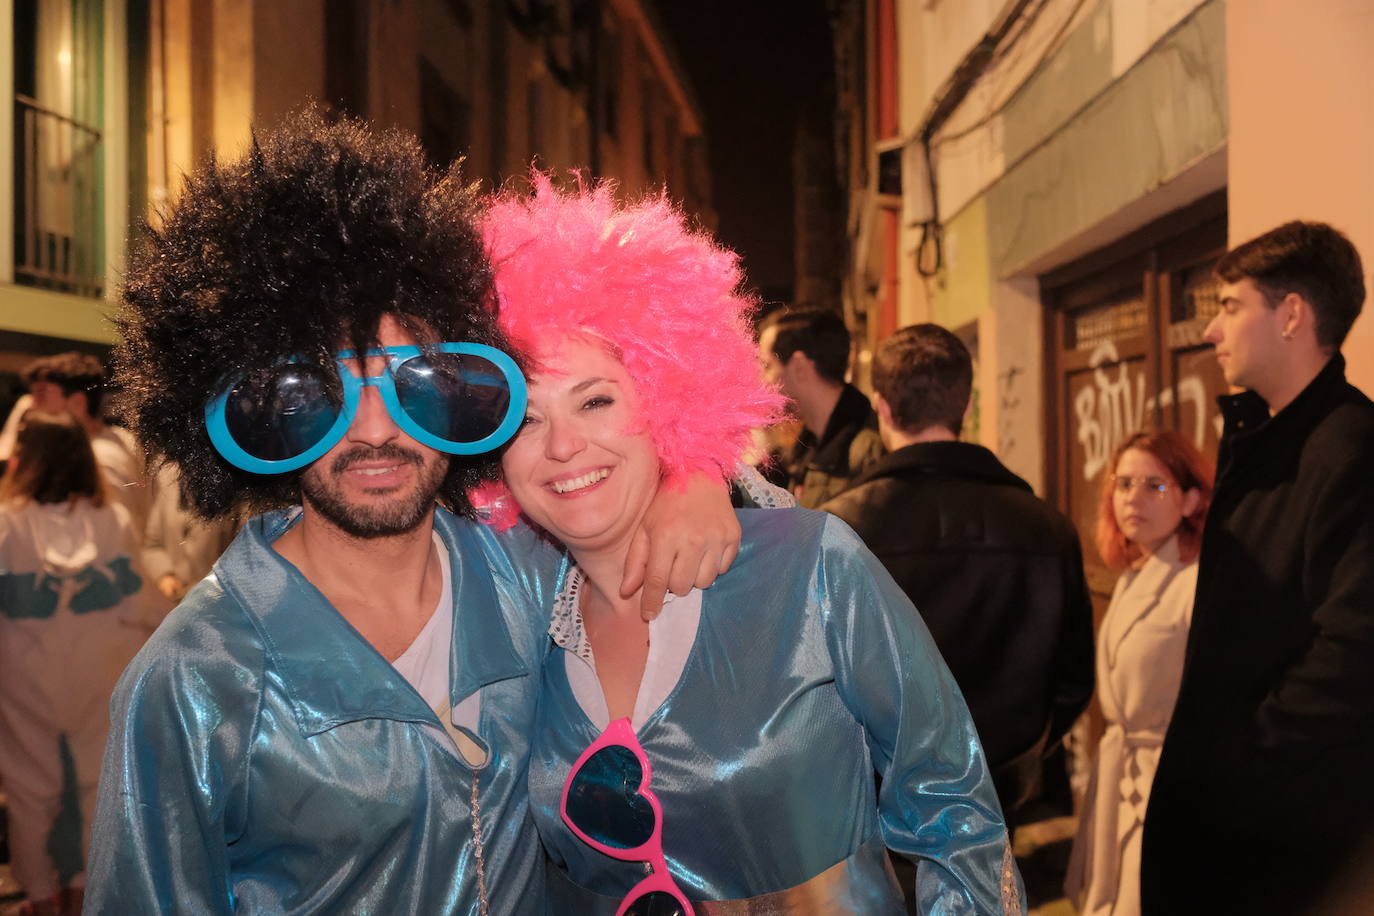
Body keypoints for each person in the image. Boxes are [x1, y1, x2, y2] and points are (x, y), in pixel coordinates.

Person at [84, 113, 739, 915]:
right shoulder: (196, 678)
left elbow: (623, 479)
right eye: (314, 395)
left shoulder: (521, 575)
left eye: (416, 381)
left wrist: (701, 474)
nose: (374, 431)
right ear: (259, 416)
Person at [481, 178, 1023, 914]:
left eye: (596, 399)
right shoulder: (517, 621)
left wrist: (706, 468)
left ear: (667, 397)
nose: (565, 445)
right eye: (525, 418)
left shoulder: (810, 567)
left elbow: (954, 806)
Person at [1141, 221, 1374, 914]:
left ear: (1292, 314)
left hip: (1280, 849)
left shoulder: (1349, 450)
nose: (1211, 331)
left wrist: (1234, 762)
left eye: (1230, 306)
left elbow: (1356, 653)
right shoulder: (1271, 439)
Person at [822, 324, 1094, 825]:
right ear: (966, 405)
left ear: (881, 406)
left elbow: (815, 683)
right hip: (1001, 797)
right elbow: (1074, 679)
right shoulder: (1047, 527)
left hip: (874, 807)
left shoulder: (837, 529)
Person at [0, 412, 149, 916]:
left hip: (23, 674)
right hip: (99, 667)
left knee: (28, 791)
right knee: (96, 786)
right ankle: (87, 893)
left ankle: (41, 899)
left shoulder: (5, 522)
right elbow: (142, 604)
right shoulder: (114, 520)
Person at [1064, 430, 1212, 916]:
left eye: (1155, 485)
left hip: (1167, 783)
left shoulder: (1196, 583)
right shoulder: (1133, 574)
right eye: (1124, 483)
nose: (1134, 498)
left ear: (1191, 499)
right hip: (1121, 774)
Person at [758, 307, 884, 507]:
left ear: (799, 366)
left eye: (767, 366)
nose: (762, 380)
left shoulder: (868, 453)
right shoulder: (803, 451)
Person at [22, 353, 149, 538]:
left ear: (77, 403)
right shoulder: (118, 439)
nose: (31, 407)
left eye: (41, 394)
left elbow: (115, 538)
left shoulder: (100, 458)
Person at [141, 463, 237, 602]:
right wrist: (165, 575)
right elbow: (152, 545)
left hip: (216, 603)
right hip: (174, 603)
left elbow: (242, 558)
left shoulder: (234, 490)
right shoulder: (170, 481)